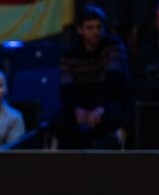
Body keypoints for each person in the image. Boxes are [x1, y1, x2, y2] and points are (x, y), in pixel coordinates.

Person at [49, 5, 129, 149]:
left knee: (115, 116)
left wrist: (100, 108)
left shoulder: (114, 46)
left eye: (99, 27)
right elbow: (66, 89)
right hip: (81, 104)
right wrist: (77, 110)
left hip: (108, 102)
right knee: (59, 123)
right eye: (90, 28)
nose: (95, 32)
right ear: (80, 30)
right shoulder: (69, 55)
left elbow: (114, 82)